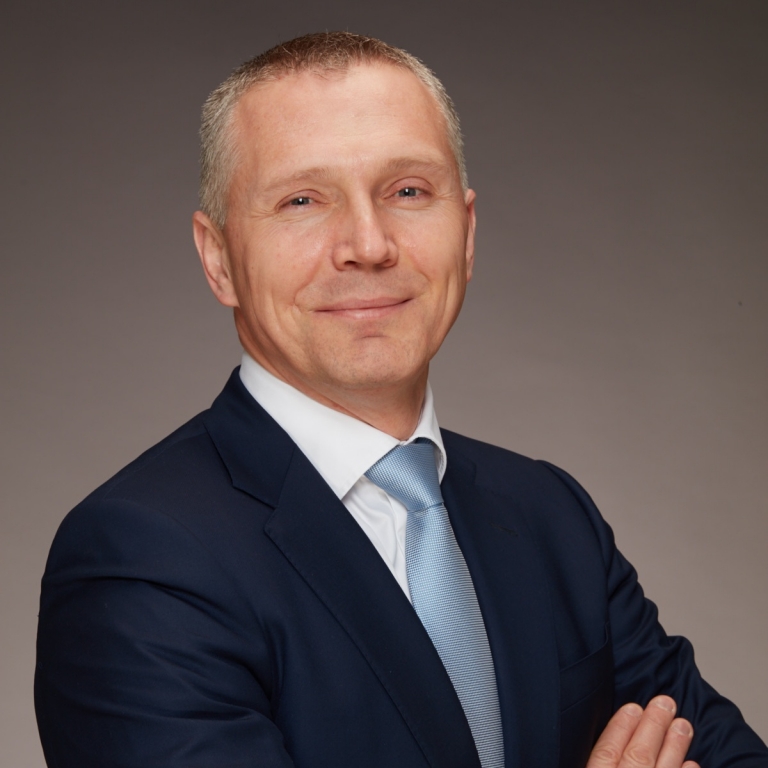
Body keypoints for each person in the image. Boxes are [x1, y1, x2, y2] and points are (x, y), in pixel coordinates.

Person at [34, 31, 768, 768]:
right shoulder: (140, 557)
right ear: (218, 258)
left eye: (408, 191)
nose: (369, 243)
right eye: (301, 200)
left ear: (467, 234)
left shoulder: (551, 516)